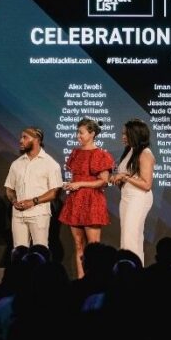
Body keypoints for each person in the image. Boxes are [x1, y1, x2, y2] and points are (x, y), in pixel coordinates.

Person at [58, 118, 114, 279]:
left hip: (92, 201)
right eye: (77, 132)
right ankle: (81, 281)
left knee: (94, 247)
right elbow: (76, 177)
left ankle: (95, 280)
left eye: (81, 133)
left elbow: (104, 181)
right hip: (75, 201)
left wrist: (80, 184)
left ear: (92, 134)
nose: (78, 136)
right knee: (78, 245)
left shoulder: (100, 155)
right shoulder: (75, 153)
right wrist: (70, 184)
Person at [4, 126, 63, 248]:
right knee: (18, 250)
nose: (21, 140)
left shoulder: (50, 163)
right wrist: (14, 201)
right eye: (21, 137)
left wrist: (33, 202)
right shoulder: (16, 164)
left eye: (25, 137)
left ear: (37, 139)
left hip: (39, 214)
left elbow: (55, 192)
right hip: (18, 215)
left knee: (40, 249)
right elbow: (9, 189)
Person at [110, 119, 155, 264]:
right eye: (123, 134)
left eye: (126, 134)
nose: (123, 137)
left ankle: (131, 270)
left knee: (130, 238)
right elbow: (127, 177)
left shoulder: (145, 154)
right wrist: (118, 179)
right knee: (129, 237)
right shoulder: (130, 150)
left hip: (139, 198)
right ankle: (134, 269)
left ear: (135, 134)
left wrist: (125, 177)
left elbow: (147, 184)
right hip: (127, 197)